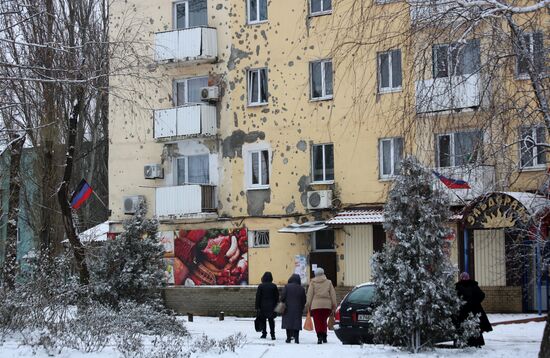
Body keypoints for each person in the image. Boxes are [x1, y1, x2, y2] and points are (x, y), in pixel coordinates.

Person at [455, 272, 493, 347]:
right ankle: (475, 342)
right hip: (471, 309)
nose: (465, 279)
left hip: (466, 310)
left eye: (465, 277)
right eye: (464, 277)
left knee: (466, 325)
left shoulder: (460, 286)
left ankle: (468, 342)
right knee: (474, 325)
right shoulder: (470, 285)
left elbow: (481, 295)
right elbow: (481, 295)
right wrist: (475, 302)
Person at [306, 267, 337, 344]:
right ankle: (324, 336)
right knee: (323, 321)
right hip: (327, 306)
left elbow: (309, 295)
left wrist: (308, 305)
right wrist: (334, 304)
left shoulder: (312, 282)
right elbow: (333, 294)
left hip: (316, 306)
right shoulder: (329, 282)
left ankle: (320, 336)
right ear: (323, 273)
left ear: (315, 274)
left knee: (318, 321)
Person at [281, 273, 306, 344]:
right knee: (297, 323)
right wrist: (302, 306)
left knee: (287, 322)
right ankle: (296, 339)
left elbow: (282, 297)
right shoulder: (301, 288)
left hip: (287, 308)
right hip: (298, 308)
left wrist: (282, 302)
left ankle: (288, 338)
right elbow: (304, 299)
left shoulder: (286, 287)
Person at [255, 271, 279, 340]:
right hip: (272, 306)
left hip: (262, 306)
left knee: (263, 320)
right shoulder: (274, 286)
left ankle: (264, 334)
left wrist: (257, 307)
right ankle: (273, 335)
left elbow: (258, 297)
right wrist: (276, 306)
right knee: (271, 320)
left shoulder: (261, 286)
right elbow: (276, 297)